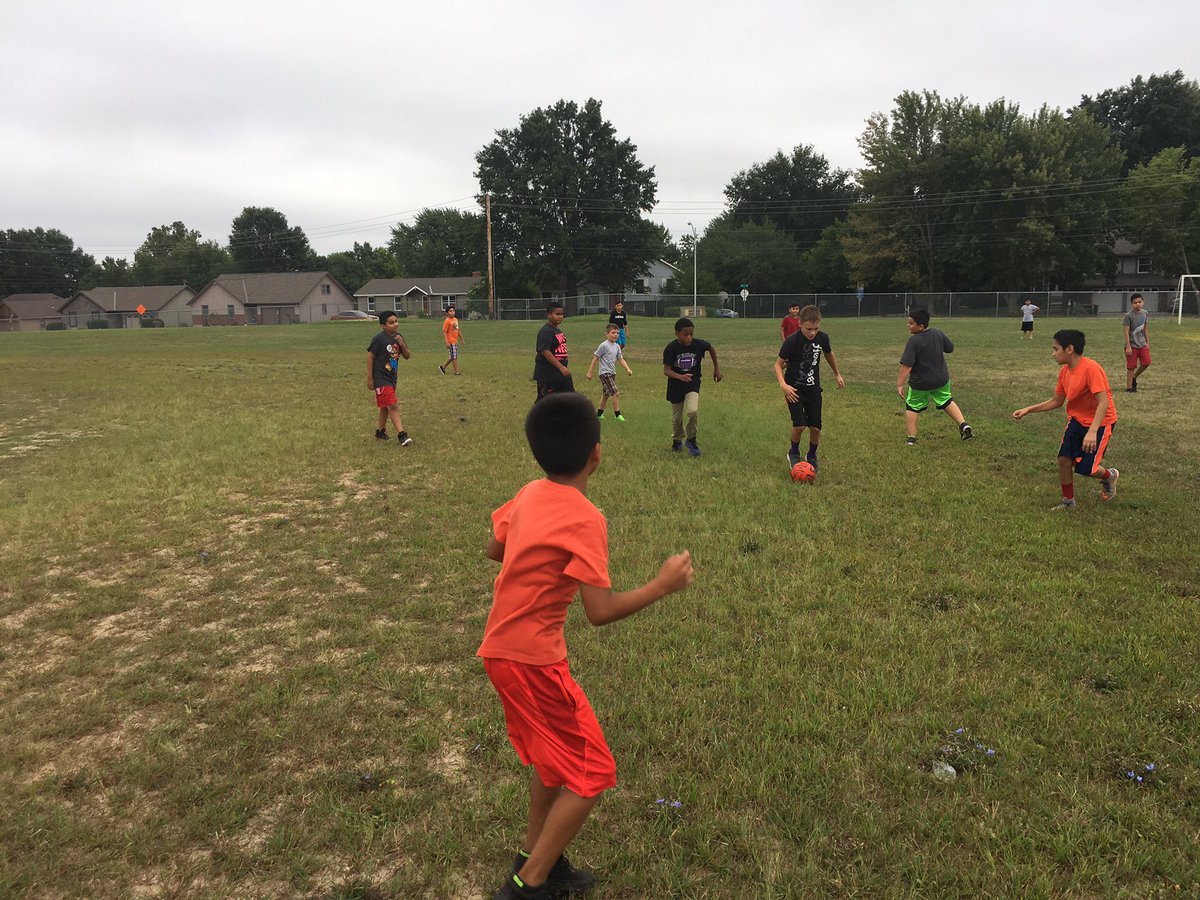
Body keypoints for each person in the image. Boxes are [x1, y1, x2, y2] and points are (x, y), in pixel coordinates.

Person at [480, 393, 694, 900]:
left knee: (552, 762)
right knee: (593, 770)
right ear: (596, 454)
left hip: (501, 650)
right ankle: (527, 887)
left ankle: (538, 858)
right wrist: (662, 585)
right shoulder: (585, 518)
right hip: (533, 660)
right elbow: (599, 612)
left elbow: (495, 548)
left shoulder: (528, 493)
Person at [1012, 328, 1120, 510]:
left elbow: (1104, 403)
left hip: (1100, 423)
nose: (1052, 353)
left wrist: (1092, 432)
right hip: (1077, 420)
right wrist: (1028, 409)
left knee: (1087, 469)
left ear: (1069, 349)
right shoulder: (1064, 372)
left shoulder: (1091, 368)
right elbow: (1057, 401)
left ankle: (1109, 475)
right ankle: (1068, 501)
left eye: (1056, 349)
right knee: (1064, 459)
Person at [774, 304, 845, 471]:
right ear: (800, 324)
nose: (812, 332)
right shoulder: (792, 340)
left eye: (816, 328)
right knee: (799, 426)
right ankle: (793, 453)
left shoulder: (823, 338)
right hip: (794, 390)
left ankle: (811, 455)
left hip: (813, 389)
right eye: (808, 329)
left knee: (815, 427)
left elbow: (829, 354)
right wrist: (783, 385)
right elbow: (778, 365)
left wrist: (837, 374)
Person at [897, 308, 973, 445]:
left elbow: (907, 366)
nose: (908, 325)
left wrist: (900, 384)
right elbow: (950, 348)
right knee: (947, 401)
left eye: (911, 323)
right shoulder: (937, 332)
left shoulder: (913, 341)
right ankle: (963, 425)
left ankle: (911, 439)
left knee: (912, 407)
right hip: (941, 380)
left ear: (921, 326)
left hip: (920, 383)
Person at [663, 317, 722, 456]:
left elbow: (711, 348)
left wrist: (716, 369)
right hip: (676, 385)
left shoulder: (698, 344)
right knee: (676, 418)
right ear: (677, 333)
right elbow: (666, 370)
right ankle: (677, 441)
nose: (689, 337)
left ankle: (691, 439)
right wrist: (681, 377)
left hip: (692, 384)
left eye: (691, 334)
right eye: (685, 335)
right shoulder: (671, 348)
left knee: (693, 411)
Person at [367, 311, 413, 445]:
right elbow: (370, 356)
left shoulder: (398, 337)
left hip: (392, 377)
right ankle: (402, 435)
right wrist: (370, 378)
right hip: (380, 377)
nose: (395, 325)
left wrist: (402, 344)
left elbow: (407, 355)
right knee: (392, 405)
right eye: (391, 323)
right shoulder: (379, 339)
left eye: (396, 321)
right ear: (383, 325)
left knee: (385, 406)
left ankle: (380, 432)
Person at [585, 323, 633, 420]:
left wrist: (628, 368)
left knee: (606, 394)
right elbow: (595, 358)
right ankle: (618, 415)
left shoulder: (617, 346)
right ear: (607, 334)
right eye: (613, 333)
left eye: (618, 333)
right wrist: (590, 372)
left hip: (612, 373)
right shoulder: (603, 346)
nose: (616, 335)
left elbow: (620, 359)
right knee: (615, 393)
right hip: (604, 373)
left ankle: (599, 414)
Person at [533, 302, 572, 402]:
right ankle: (539, 417)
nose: (560, 317)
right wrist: (560, 367)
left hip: (561, 373)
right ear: (549, 315)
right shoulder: (546, 331)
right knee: (546, 401)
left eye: (562, 314)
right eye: (557, 314)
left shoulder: (557, 331)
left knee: (570, 398)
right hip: (548, 374)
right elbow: (544, 351)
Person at [1123, 293, 1151, 392]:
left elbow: (1145, 329)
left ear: (1143, 302)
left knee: (1146, 363)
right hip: (1132, 345)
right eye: (1135, 303)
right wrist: (1128, 346)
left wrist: (1147, 343)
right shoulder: (1128, 315)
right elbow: (1126, 331)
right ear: (1131, 304)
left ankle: (1134, 377)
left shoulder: (1145, 313)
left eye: (1139, 302)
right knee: (1131, 366)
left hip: (1142, 344)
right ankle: (1129, 387)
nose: (1137, 304)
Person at [439, 304, 464, 375]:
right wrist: (446, 342)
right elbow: (444, 331)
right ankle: (456, 372)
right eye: (450, 311)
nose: (452, 312)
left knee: (452, 356)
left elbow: (457, 330)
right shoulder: (447, 321)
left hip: (455, 341)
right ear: (447, 313)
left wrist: (462, 339)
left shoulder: (455, 320)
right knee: (454, 357)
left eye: (453, 311)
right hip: (451, 341)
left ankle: (442, 367)